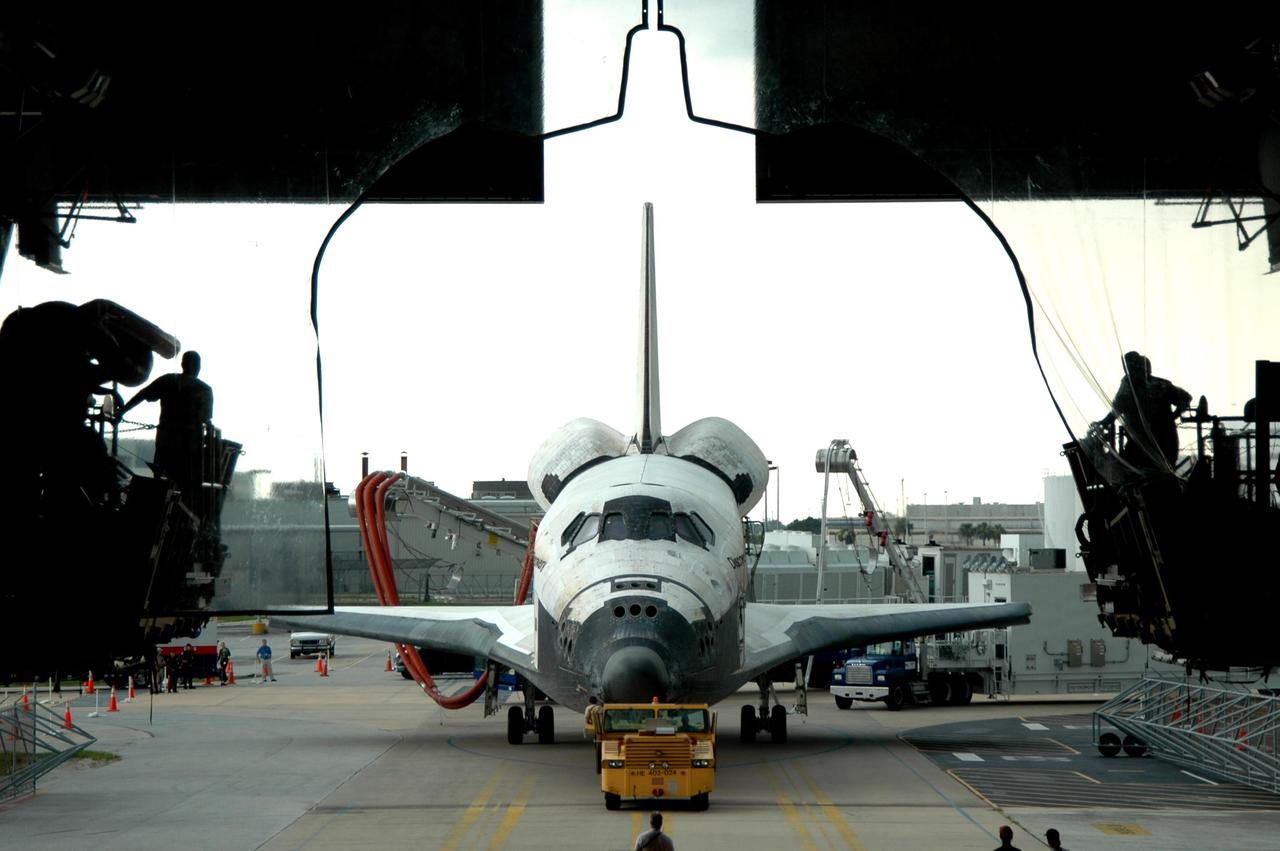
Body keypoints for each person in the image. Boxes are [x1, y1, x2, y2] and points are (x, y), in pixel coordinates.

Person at [118, 350, 214, 492]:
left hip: (165, 442)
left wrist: (121, 412)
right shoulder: (204, 389)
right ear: (198, 366)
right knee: (185, 487)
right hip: (189, 448)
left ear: (182, 364)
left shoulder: (168, 381)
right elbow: (205, 419)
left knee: (160, 482)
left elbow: (142, 395)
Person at [1106, 351, 1192, 467]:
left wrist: (1170, 418)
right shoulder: (1129, 386)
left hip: (1161, 443)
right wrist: (1104, 423)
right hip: (1141, 444)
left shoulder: (1159, 385)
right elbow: (1117, 409)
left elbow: (1185, 399)